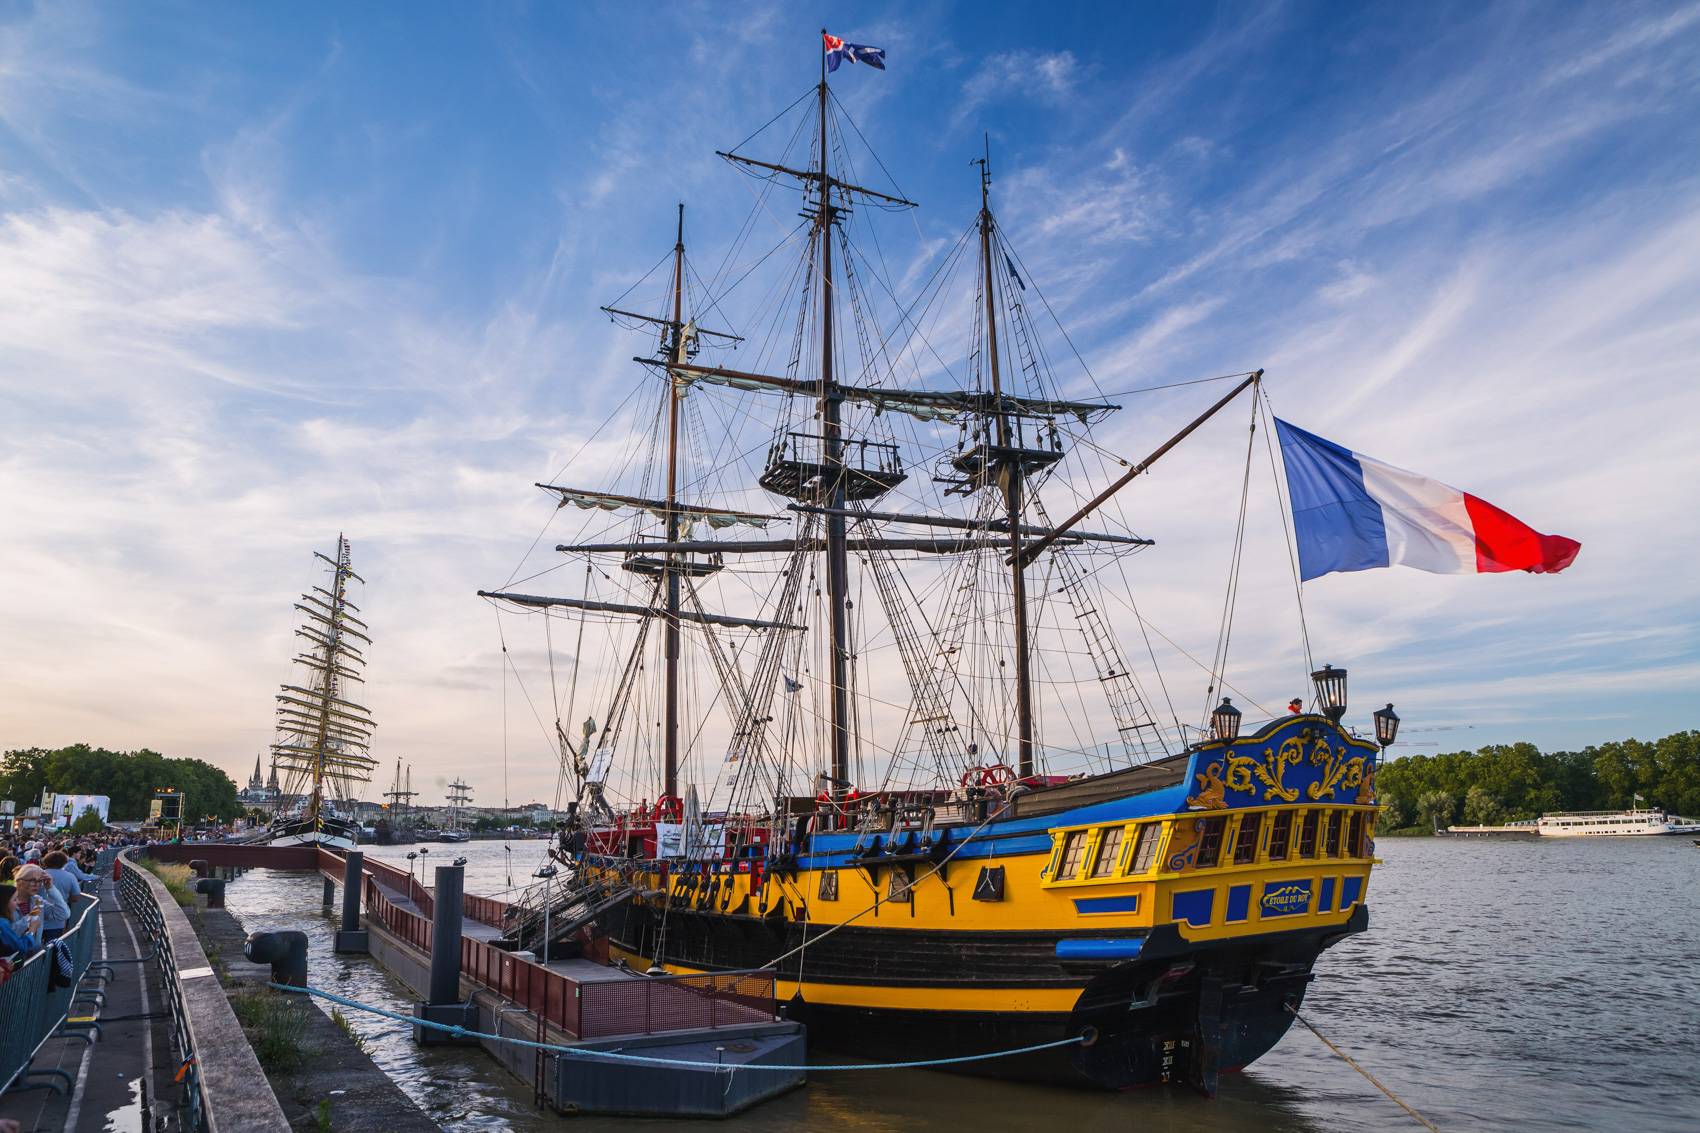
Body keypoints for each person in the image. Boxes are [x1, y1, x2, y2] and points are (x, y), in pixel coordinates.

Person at [14, 864, 69, 942]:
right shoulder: (6, 901)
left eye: (40, 881)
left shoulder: (37, 901)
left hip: (34, 953)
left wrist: (50, 888)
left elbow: (63, 914)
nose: (37, 884)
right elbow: (5, 934)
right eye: (32, 880)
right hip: (12, 953)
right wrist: (29, 920)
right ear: (19, 881)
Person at [1, 882, 40, 958]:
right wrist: (32, 931)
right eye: (14, 900)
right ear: (5, 902)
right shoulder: (2, 923)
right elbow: (20, 947)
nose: (18, 902)